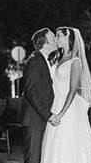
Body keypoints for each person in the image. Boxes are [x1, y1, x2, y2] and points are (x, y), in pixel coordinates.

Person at [40, 26, 91, 163]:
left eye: (59, 35)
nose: (56, 38)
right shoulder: (58, 58)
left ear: (68, 37)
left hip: (68, 109)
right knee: (53, 144)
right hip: (55, 104)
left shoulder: (75, 62)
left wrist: (61, 114)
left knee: (67, 145)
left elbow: (72, 91)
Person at [20, 28, 60, 163]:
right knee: (33, 158)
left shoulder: (43, 59)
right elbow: (31, 91)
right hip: (34, 119)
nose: (56, 40)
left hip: (39, 118)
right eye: (53, 37)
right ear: (45, 42)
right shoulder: (35, 61)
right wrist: (47, 115)